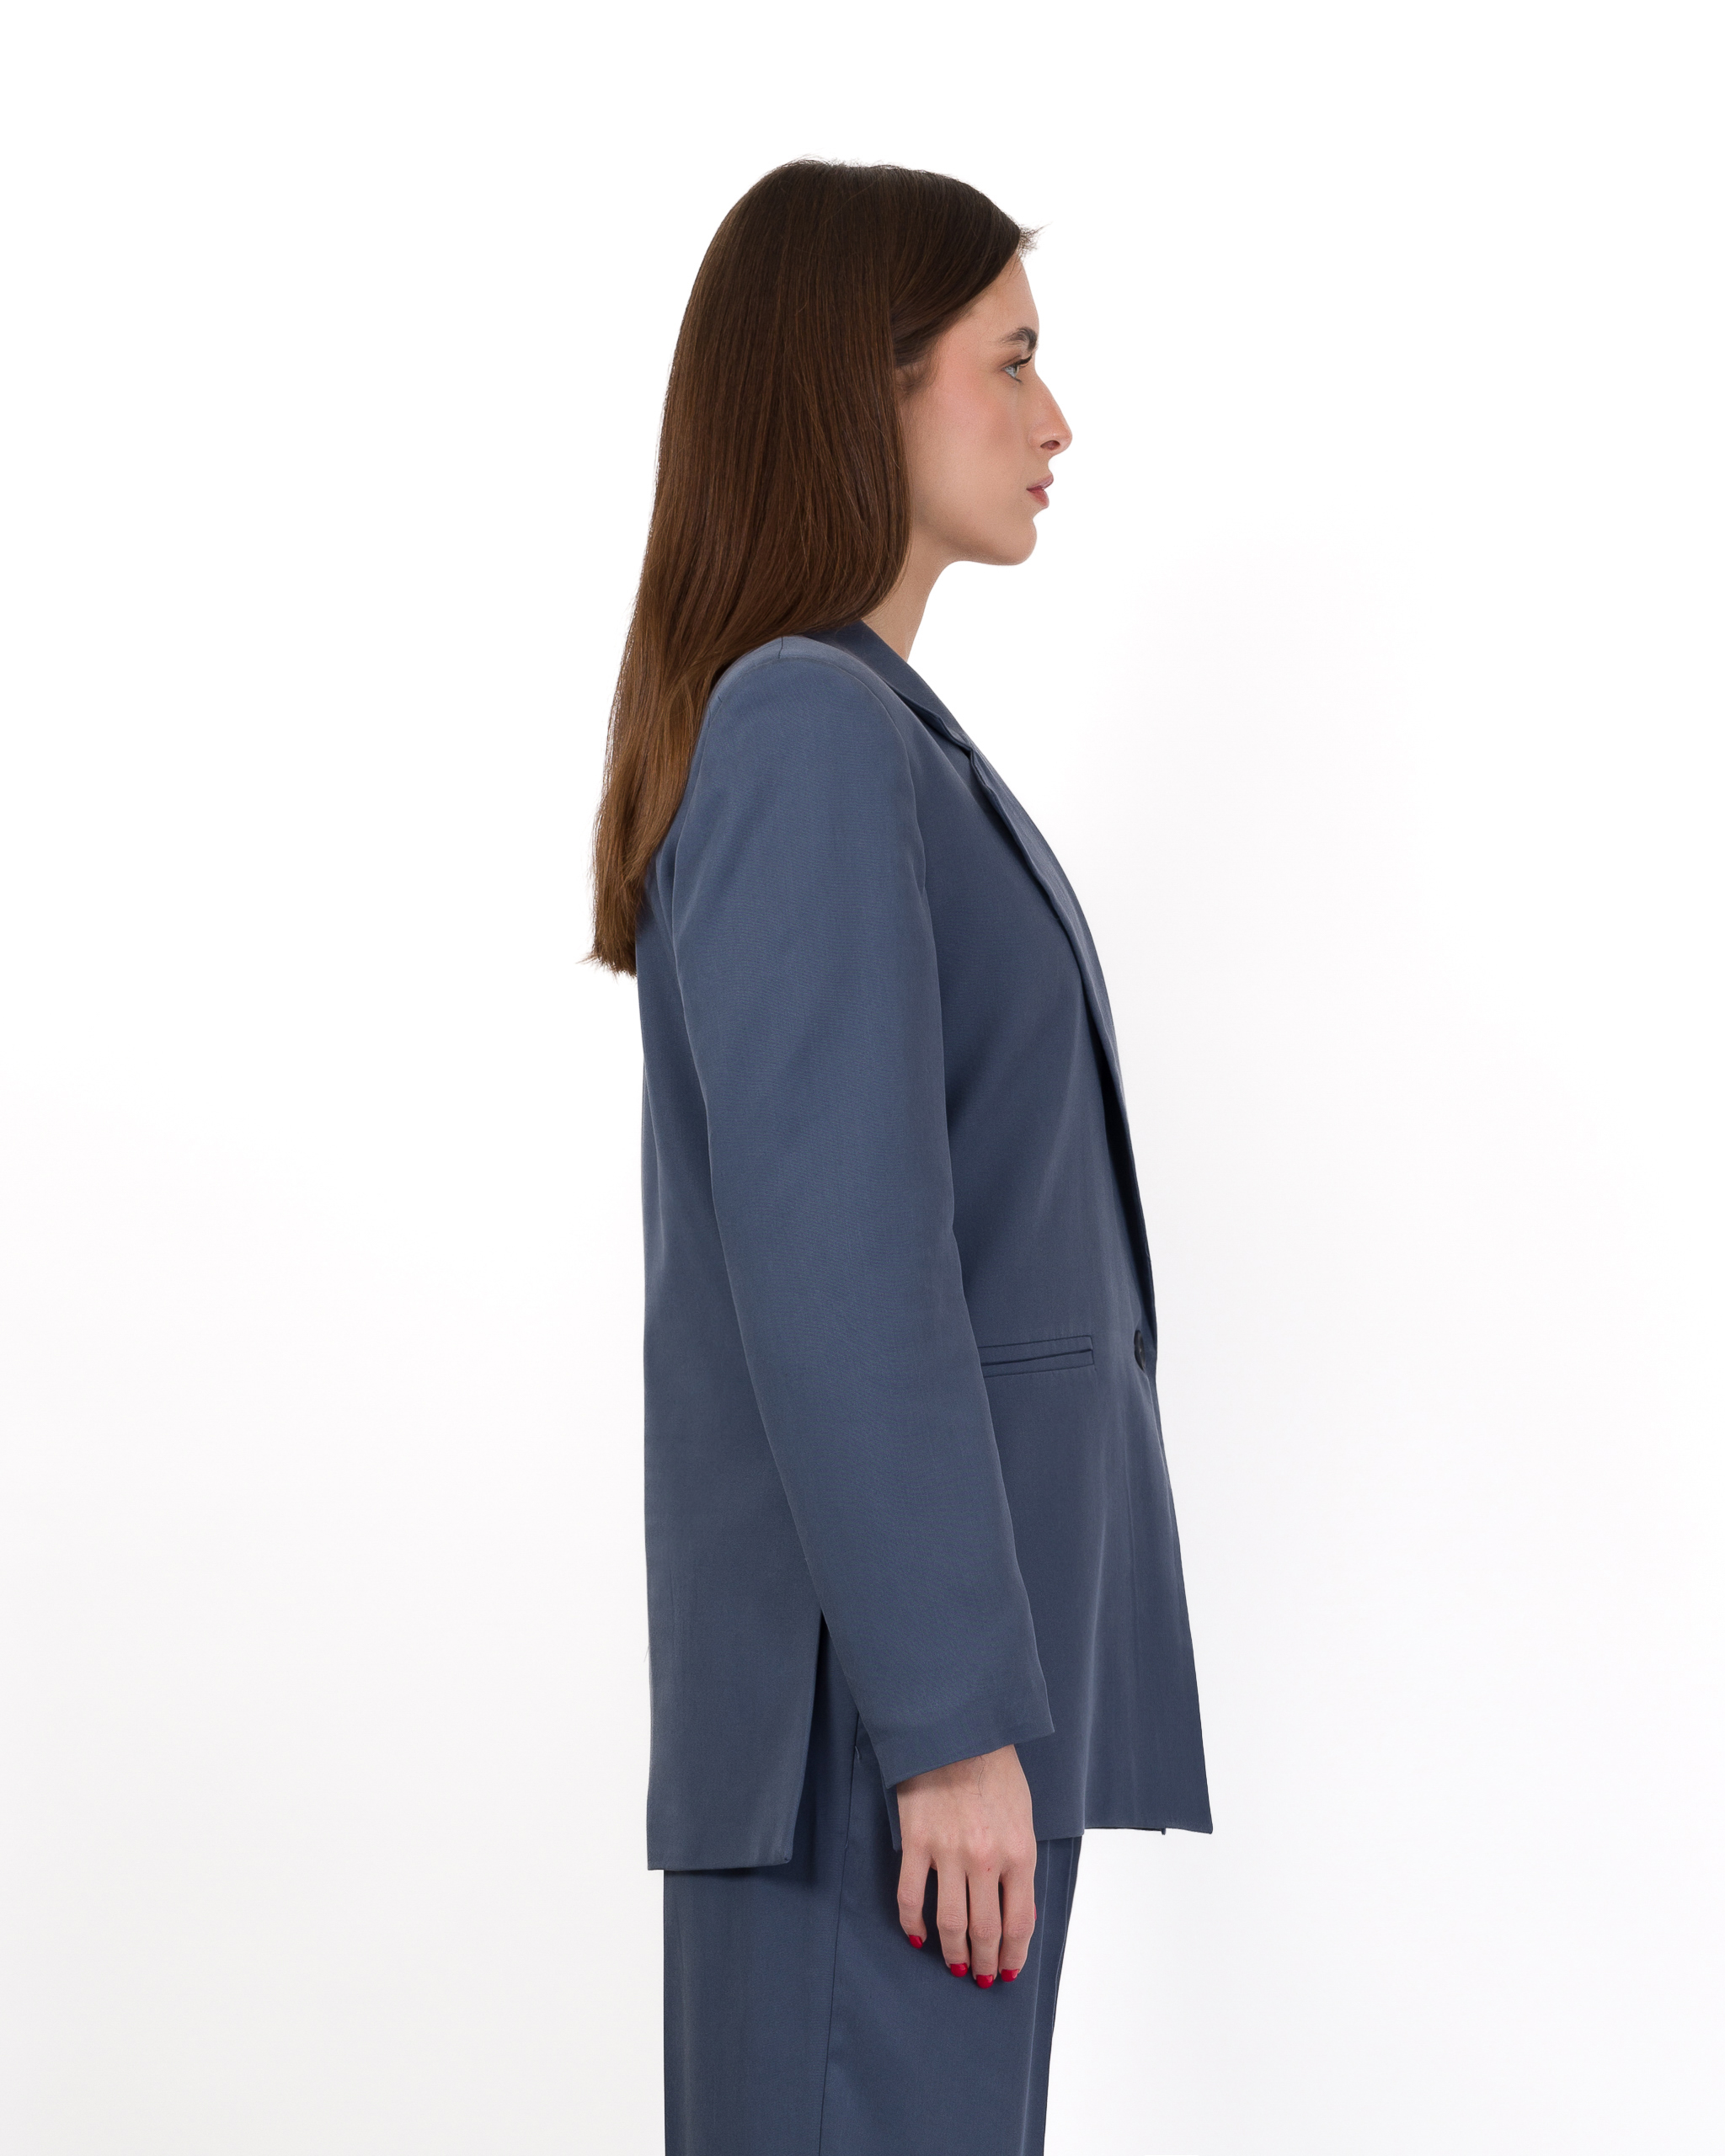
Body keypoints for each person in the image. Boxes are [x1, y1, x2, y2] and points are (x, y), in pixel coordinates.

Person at [590, 160, 1210, 2156]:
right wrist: (946, 1724)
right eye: (1010, 361)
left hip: (928, 1717)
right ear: (868, 391)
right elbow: (840, 1262)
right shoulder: (808, 727)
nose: (1055, 419)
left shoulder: (859, 724)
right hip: (886, 1734)